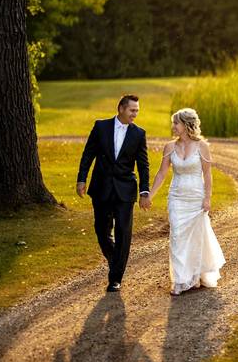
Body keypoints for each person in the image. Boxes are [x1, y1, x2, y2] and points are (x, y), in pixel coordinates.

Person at [77, 94, 151, 292]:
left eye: (137, 111)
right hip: (101, 187)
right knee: (101, 230)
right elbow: (88, 154)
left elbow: (143, 165)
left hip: (125, 190)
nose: (135, 114)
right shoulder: (101, 127)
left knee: (123, 233)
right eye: (132, 110)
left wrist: (145, 191)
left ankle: (115, 277)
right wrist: (81, 179)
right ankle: (114, 258)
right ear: (121, 108)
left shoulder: (139, 134)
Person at [148, 108, 225, 295]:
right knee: (177, 236)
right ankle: (181, 280)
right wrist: (150, 195)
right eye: (173, 123)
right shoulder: (169, 147)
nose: (173, 126)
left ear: (186, 124)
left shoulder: (202, 146)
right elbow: (161, 173)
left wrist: (207, 198)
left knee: (196, 238)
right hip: (176, 197)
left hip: (196, 198)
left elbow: (207, 174)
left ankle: (195, 274)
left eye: (176, 123)